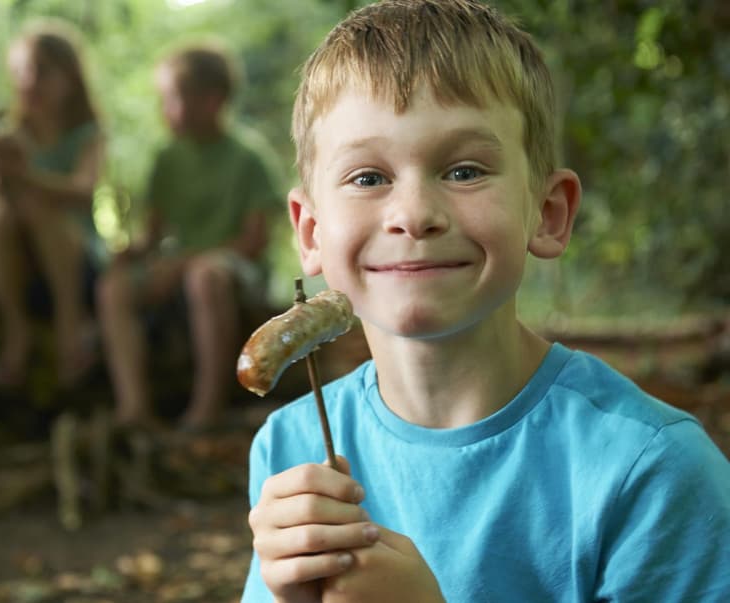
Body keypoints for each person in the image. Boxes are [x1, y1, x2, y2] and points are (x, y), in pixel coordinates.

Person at [242, 1, 730, 601]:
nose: (415, 215)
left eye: (465, 171)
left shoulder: (654, 471)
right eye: (368, 177)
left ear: (548, 214)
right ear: (311, 232)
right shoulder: (288, 449)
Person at [96, 41, 284, 431]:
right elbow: (153, 235)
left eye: (173, 99)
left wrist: (183, 262)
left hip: (231, 272)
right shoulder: (167, 159)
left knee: (205, 275)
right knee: (114, 288)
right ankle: (134, 408)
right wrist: (129, 255)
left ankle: (206, 409)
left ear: (212, 101)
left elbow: (254, 242)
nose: (165, 110)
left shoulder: (248, 159)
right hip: (181, 268)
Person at [0, 20, 106, 390]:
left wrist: (24, 177)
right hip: (25, 262)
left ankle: (70, 324)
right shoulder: (11, 133)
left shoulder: (89, 135)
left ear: (68, 78)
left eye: (39, 70)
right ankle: (16, 329)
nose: (28, 81)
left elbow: (83, 190)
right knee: (4, 216)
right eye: (21, 71)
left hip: (80, 260)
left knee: (40, 210)